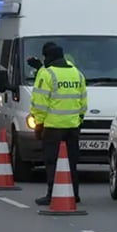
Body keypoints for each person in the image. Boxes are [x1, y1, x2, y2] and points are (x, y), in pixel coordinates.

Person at [30, 42, 88, 206]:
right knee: (71, 161)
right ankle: (74, 194)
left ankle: (52, 194)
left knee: (52, 161)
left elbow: (40, 103)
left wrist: (39, 124)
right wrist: (78, 120)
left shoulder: (47, 74)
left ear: (48, 57)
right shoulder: (77, 74)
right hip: (73, 127)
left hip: (53, 127)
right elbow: (83, 103)